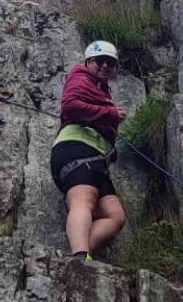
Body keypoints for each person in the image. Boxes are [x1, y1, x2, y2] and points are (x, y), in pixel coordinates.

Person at [50, 40, 128, 259]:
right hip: (77, 146)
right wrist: (110, 114)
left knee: (115, 215)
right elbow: (71, 106)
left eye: (110, 63)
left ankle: (81, 253)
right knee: (83, 199)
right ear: (88, 62)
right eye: (99, 61)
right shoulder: (81, 77)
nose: (105, 66)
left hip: (94, 154)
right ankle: (80, 254)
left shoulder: (100, 89)